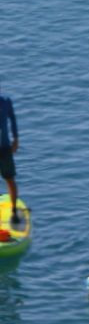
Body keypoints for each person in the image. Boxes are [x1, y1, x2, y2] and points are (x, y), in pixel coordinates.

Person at [0, 87, 19, 225]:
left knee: (10, 179)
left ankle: (13, 212)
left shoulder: (5, 102)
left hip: (5, 148)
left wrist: (16, 139)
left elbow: (12, 119)